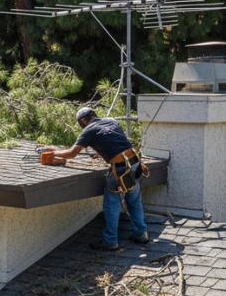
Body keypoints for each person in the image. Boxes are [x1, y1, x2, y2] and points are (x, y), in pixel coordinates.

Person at [47, 107, 149, 251]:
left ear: (83, 120)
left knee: (112, 204)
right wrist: (100, 152)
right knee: (134, 199)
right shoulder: (111, 121)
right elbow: (114, 141)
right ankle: (141, 234)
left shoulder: (89, 130)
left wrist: (53, 153)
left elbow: (72, 153)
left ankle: (111, 241)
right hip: (134, 163)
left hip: (120, 168)